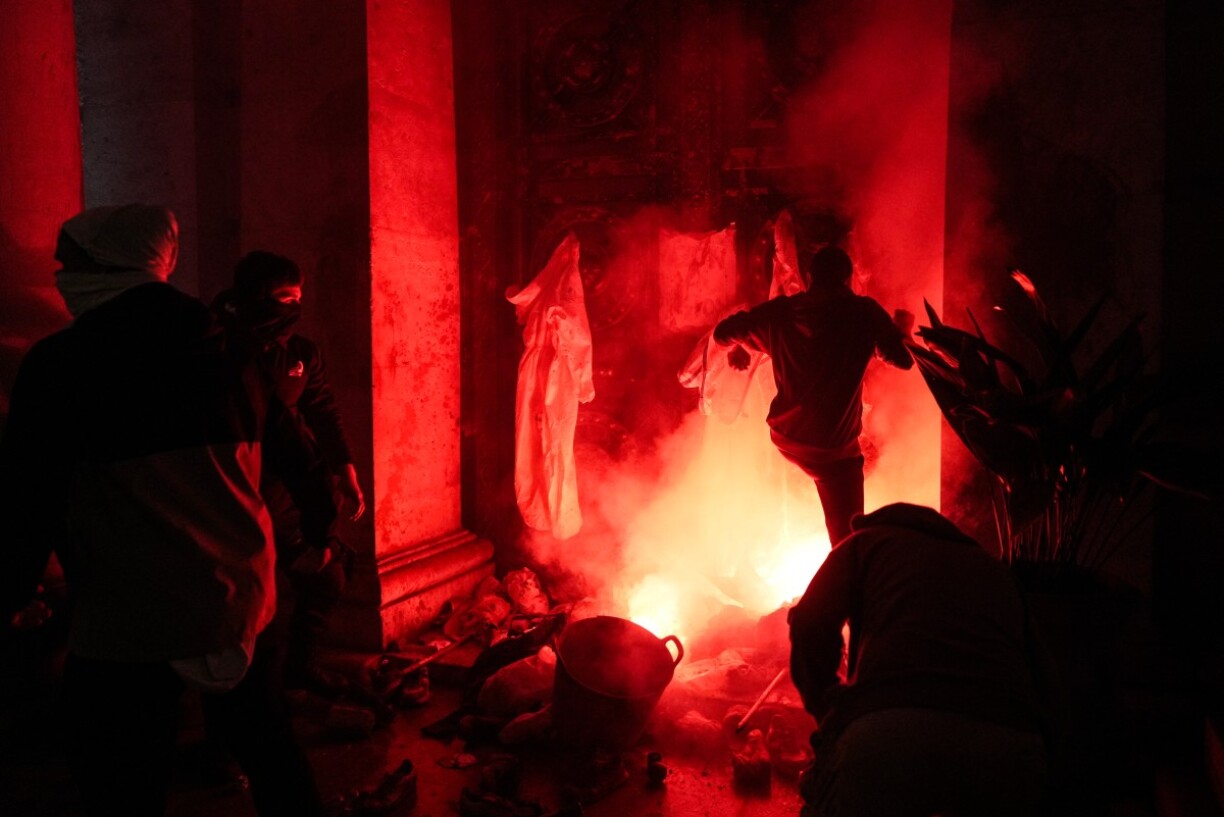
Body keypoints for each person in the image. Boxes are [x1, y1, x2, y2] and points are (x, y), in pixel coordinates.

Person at [0, 204, 333, 817]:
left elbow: (29, 496)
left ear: (108, 265)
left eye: (70, 261)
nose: (58, 273)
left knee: (122, 778)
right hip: (239, 597)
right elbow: (297, 451)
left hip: (133, 610)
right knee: (271, 752)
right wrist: (321, 532)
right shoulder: (230, 348)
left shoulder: (61, 365)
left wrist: (13, 591)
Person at [788, 502, 1058, 817]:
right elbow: (1049, 684)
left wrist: (829, 709)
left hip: (887, 738)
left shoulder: (864, 542)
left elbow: (809, 621)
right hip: (1011, 749)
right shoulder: (995, 570)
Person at [211, 250, 363, 693]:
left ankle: (302, 666)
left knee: (328, 575)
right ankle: (245, 697)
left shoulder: (299, 354)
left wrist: (343, 469)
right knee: (253, 600)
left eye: (298, 297)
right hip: (235, 489)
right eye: (283, 297)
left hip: (288, 490)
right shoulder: (220, 350)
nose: (294, 306)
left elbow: (321, 413)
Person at [713, 244, 914, 547]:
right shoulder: (863, 314)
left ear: (809, 277)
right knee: (847, 539)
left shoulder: (780, 313)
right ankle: (846, 575)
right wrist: (902, 330)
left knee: (859, 454)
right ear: (848, 279)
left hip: (786, 437)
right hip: (831, 449)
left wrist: (740, 344)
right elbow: (903, 359)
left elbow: (722, 333)